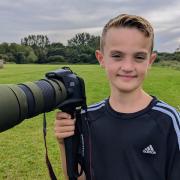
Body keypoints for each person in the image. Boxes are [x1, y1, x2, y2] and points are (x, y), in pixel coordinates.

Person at [54, 14, 180, 180]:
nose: (127, 67)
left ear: (150, 60)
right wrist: (64, 144)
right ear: (101, 58)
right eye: (117, 56)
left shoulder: (168, 119)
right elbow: (78, 177)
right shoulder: (85, 118)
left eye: (139, 57)